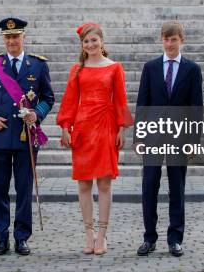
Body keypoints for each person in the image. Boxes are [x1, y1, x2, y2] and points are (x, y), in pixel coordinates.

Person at [0, 17, 55, 256]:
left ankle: (22, 237)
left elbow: (48, 99)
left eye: (15, 36)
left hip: (25, 137)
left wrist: (36, 114)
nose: (11, 41)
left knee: (23, 189)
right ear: (3, 39)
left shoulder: (38, 66)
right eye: (7, 37)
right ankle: (2, 236)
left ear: (23, 37)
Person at [57, 22, 133, 255]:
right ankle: (88, 235)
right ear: (82, 45)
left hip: (106, 127)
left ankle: (102, 235)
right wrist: (65, 127)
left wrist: (122, 128)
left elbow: (121, 99)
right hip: (83, 127)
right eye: (86, 41)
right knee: (83, 183)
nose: (90, 45)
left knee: (104, 183)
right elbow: (70, 100)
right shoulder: (77, 70)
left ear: (102, 41)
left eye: (94, 40)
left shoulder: (114, 68)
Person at [136, 20, 203, 257]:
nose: (169, 43)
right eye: (166, 39)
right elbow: (142, 103)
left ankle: (175, 238)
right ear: (161, 40)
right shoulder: (151, 67)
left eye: (173, 39)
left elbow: (196, 107)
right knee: (149, 185)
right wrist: (139, 136)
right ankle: (149, 237)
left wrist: (193, 140)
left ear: (181, 40)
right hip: (153, 135)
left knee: (177, 187)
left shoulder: (192, 69)